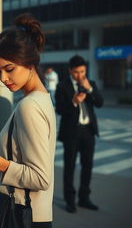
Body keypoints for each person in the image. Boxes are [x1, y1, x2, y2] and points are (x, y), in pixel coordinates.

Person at [0, 13, 57, 228]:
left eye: (9, 69)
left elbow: (40, 178)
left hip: (20, 216)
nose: (3, 79)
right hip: (33, 214)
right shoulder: (42, 99)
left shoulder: (29, 106)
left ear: (30, 62)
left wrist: (1, 164)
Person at [55, 55, 103, 213]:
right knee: (69, 167)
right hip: (71, 133)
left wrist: (89, 89)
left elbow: (100, 103)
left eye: (82, 71)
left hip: (88, 131)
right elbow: (60, 109)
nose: (80, 75)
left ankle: (84, 198)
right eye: (76, 72)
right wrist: (74, 102)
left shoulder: (91, 83)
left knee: (87, 166)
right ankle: (70, 200)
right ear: (70, 71)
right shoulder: (62, 86)